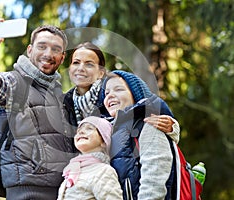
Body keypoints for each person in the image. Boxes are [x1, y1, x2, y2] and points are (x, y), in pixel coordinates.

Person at [0, 23, 75, 199]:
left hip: (62, 190)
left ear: (62, 57)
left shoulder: (58, 94)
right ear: (30, 50)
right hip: (27, 191)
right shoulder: (15, 82)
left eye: (55, 49)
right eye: (42, 46)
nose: (48, 54)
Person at [63, 42, 179, 142]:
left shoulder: (113, 93)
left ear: (101, 72)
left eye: (89, 64)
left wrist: (172, 128)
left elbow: (149, 103)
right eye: (76, 63)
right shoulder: (63, 103)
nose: (81, 68)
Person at [101, 70, 178, 199]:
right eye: (106, 93)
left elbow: (154, 180)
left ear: (135, 95)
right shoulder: (107, 132)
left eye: (118, 89)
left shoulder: (149, 124)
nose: (110, 95)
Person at [57, 116, 123, 200]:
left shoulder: (103, 171)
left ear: (104, 140)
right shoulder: (73, 169)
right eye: (78, 130)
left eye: (89, 128)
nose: (81, 132)